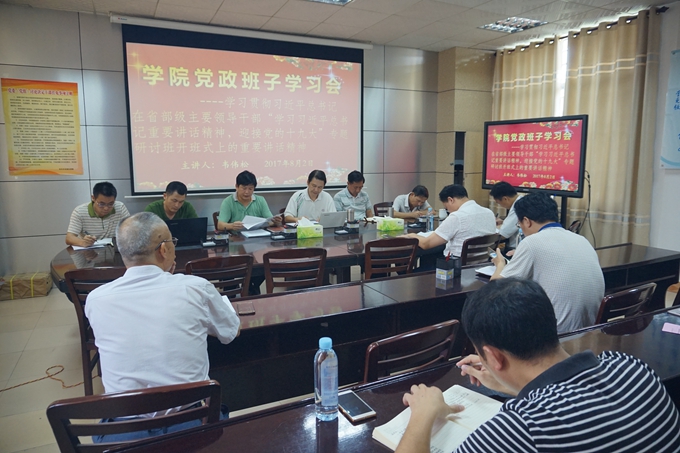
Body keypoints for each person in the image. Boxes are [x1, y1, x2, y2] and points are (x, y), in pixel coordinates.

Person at [394, 278, 680, 453]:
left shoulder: (522, 429)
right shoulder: (632, 368)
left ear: (493, 357)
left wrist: (423, 413)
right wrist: (510, 385)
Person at [85, 212, 241, 441]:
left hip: (124, 433)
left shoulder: (97, 299)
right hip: (191, 426)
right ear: (163, 249)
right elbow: (230, 332)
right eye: (172, 241)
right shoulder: (195, 288)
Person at [490, 192, 604, 333]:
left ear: (526, 221)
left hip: (556, 334)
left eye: (519, 224)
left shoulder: (531, 242)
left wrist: (500, 264)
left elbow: (496, 286)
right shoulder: (582, 240)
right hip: (590, 331)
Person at [405, 184, 495, 258]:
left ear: (450, 200)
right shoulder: (489, 213)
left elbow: (426, 244)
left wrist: (412, 235)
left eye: (446, 208)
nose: (449, 211)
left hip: (455, 267)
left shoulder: (457, 217)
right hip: (481, 266)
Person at [65, 181, 130, 247]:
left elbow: (131, 230)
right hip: (90, 250)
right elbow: (69, 238)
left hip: (114, 249)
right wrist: (83, 242)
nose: (106, 208)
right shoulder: (79, 212)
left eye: (110, 204)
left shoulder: (120, 208)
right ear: (93, 198)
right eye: (101, 204)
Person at [489, 181, 521, 249]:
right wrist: (504, 222)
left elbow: (502, 235)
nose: (501, 205)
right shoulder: (522, 200)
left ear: (505, 199)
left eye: (499, 203)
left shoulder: (518, 207)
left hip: (515, 248)